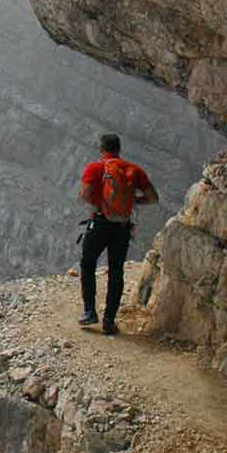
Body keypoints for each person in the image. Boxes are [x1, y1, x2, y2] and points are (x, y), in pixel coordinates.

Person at [77, 133, 159, 334]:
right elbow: (153, 198)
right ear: (119, 149)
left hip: (99, 224)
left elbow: (85, 194)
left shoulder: (95, 168)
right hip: (122, 227)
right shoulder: (134, 170)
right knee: (116, 271)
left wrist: (102, 203)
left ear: (101, 149)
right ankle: (109, 321)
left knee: (88, 263)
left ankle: (90, 311)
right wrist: (131, 201)